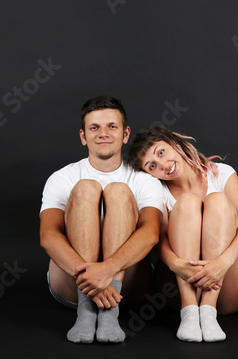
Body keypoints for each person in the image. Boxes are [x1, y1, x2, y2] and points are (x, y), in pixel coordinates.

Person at [39, 96, 164, 344]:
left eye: (112, 126)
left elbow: (151, 233)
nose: (103, 133)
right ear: (83, 136)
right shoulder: (62, 177)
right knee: (86, 188)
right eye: (94, 128)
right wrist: (91, 277)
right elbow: (48, 236)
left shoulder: (145, 180)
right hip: (72, 284)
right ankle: (86, 311)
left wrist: (107, 270)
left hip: (126, 287)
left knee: (118, 191)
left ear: (125, 133)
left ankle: (109, 312)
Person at [127, 126, 238, 343]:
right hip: (179, 288)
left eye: (161, 152)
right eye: (152, 166)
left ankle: (208, 310)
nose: (163, 165)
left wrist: (222, 262)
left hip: (232, 286)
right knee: (188, 202)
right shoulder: (156, 188)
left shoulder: (222, 172)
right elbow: (158, 240)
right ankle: (189, 311)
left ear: (174, 143)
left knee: (216, 200)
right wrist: (177, 265)